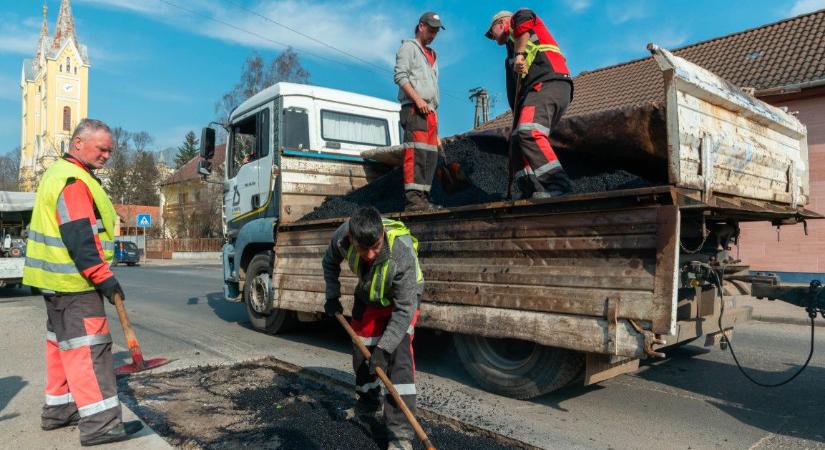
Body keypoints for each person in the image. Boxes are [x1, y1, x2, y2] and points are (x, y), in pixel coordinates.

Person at [23, 118, 143, 446]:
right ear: (78, 143)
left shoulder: (58, 173)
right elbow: (81, 238)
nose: (107, 155)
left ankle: (59, 410)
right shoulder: (74, 180)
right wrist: (105, 280)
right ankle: (101, 425)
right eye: (102, 149)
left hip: (56, 284)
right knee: (90, 351)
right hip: (76, 285)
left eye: (110, 151)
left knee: (64, 348)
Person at [322, 206, 424, 450]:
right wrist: (332, 295)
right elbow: (329, 262)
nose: (369, 255)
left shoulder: (401, 252)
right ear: (351, 238)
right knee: (362, 352)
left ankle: (400, 435)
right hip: (370, 294)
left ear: (382, 235)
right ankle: (368, 403)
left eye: (376, 247)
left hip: (402, 301)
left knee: (398, 363)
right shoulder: (342, 238)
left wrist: (384, 349)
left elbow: (404, 310)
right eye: (363, 248)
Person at [485, 9, 574, 199]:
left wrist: (520, 54)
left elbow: (525, 16)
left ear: (501, 23)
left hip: (549, 83)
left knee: (529, 131)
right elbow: (514, 94)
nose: (492, 38)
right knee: (517, 139)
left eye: (492, 32)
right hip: (534, 91)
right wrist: (516, 118)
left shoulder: (518, 20)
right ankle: (531, 189)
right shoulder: (510, 55)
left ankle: (558, 184)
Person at [394, 12, 445, 211]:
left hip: (430, 112)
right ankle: (414, 201)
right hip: (415, 109)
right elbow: (400, 76)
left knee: (430, 157)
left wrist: (435, 116)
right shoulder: (409, 48)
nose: (433, 35)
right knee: (416, 155)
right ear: (421, 26)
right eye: (431, 30)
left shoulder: (433, 55)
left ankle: (423, 199)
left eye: (436, 32)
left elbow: (433, 89)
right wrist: (417, 99)